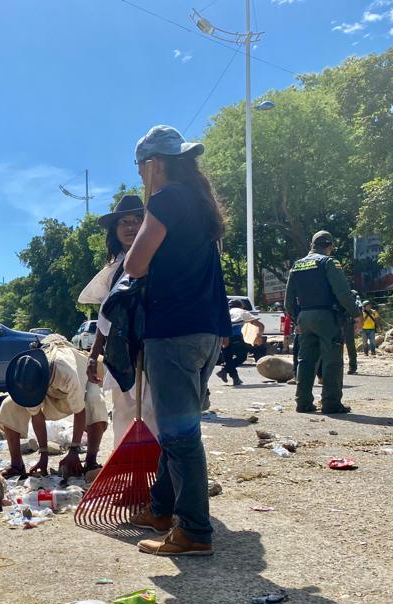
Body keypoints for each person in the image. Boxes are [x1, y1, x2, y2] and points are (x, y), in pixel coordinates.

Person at [122, 125, 231, 557]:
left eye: (139, 168)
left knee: (180, 434)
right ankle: (162, 508)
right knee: (178, 426)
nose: (140, 176)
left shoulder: (166, 199)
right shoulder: (202, 206)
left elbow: (134, 264)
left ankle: (194, 531)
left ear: (154, 164)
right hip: (206, 329)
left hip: (174, 330)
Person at [79, 194, 157, 444]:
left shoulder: (158, 259)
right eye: (124, 222)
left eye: (137, 220)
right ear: (115, 229)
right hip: (120, 350)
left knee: (152, 409)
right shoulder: (113, 269)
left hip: (152, 344)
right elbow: (106, 317)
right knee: (123, 411)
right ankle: (125, 463)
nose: (131, 227)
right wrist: (94, 354)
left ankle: (156, 464)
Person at [0, 335, 107, 480]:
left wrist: (73, 451)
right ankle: (17, 465)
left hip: (83, 383)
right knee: (9, 404)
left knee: (95, 400)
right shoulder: (29, 376)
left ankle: (91, 462)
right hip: (50, 391)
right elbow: (37, 416)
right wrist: (44, 455)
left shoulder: (66, 372)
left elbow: (80, 412)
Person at [284, 231, 360, 414]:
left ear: (312, 245)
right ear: (329, 246)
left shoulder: (297, 265)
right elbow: (342, 292)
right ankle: (331, 403)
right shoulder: (329, 262)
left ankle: (303, 402)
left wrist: (296, 319)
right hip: (326, 317)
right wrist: (356, 315)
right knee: (332, 360)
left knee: (305, 360)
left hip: (304, 317)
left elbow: (288, 300)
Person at [216, 299, 264, 386]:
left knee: (228, 358)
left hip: (223, 338)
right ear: (241, 306)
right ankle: (225, 370)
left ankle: (235, 379)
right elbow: (260, 325)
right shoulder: (242, 312)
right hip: (235, 338)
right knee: (242, 356)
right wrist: (258, 335)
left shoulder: (224, 313)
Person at [344, 289, 360, 374]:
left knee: (349, 347)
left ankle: (352, 367)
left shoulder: (354, 303)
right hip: (346, 325)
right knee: (350, 347)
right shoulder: (354, 303)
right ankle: (352, 367)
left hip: (346, 324)